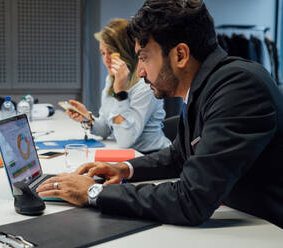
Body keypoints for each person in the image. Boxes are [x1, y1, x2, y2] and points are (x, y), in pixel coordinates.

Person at [37, 0, 283, 228]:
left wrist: (94, 193)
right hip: (247, 221)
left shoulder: (238, 87)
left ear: (180, 55)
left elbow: (192, 200)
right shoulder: (207, 84)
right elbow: (179, 156)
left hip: (269, 232)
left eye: (144, 58)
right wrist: (123, 169)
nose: (141, 72)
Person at [66, 18, 171, 153]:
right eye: (103, 53)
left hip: (151, 156)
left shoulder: (145, 84)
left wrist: (120, 94)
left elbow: (125, 140)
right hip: (127, 156)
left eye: (111, 52)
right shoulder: (112, 79)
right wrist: (88, 118)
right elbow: (106, 128)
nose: (106, 60)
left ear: (125, 51)